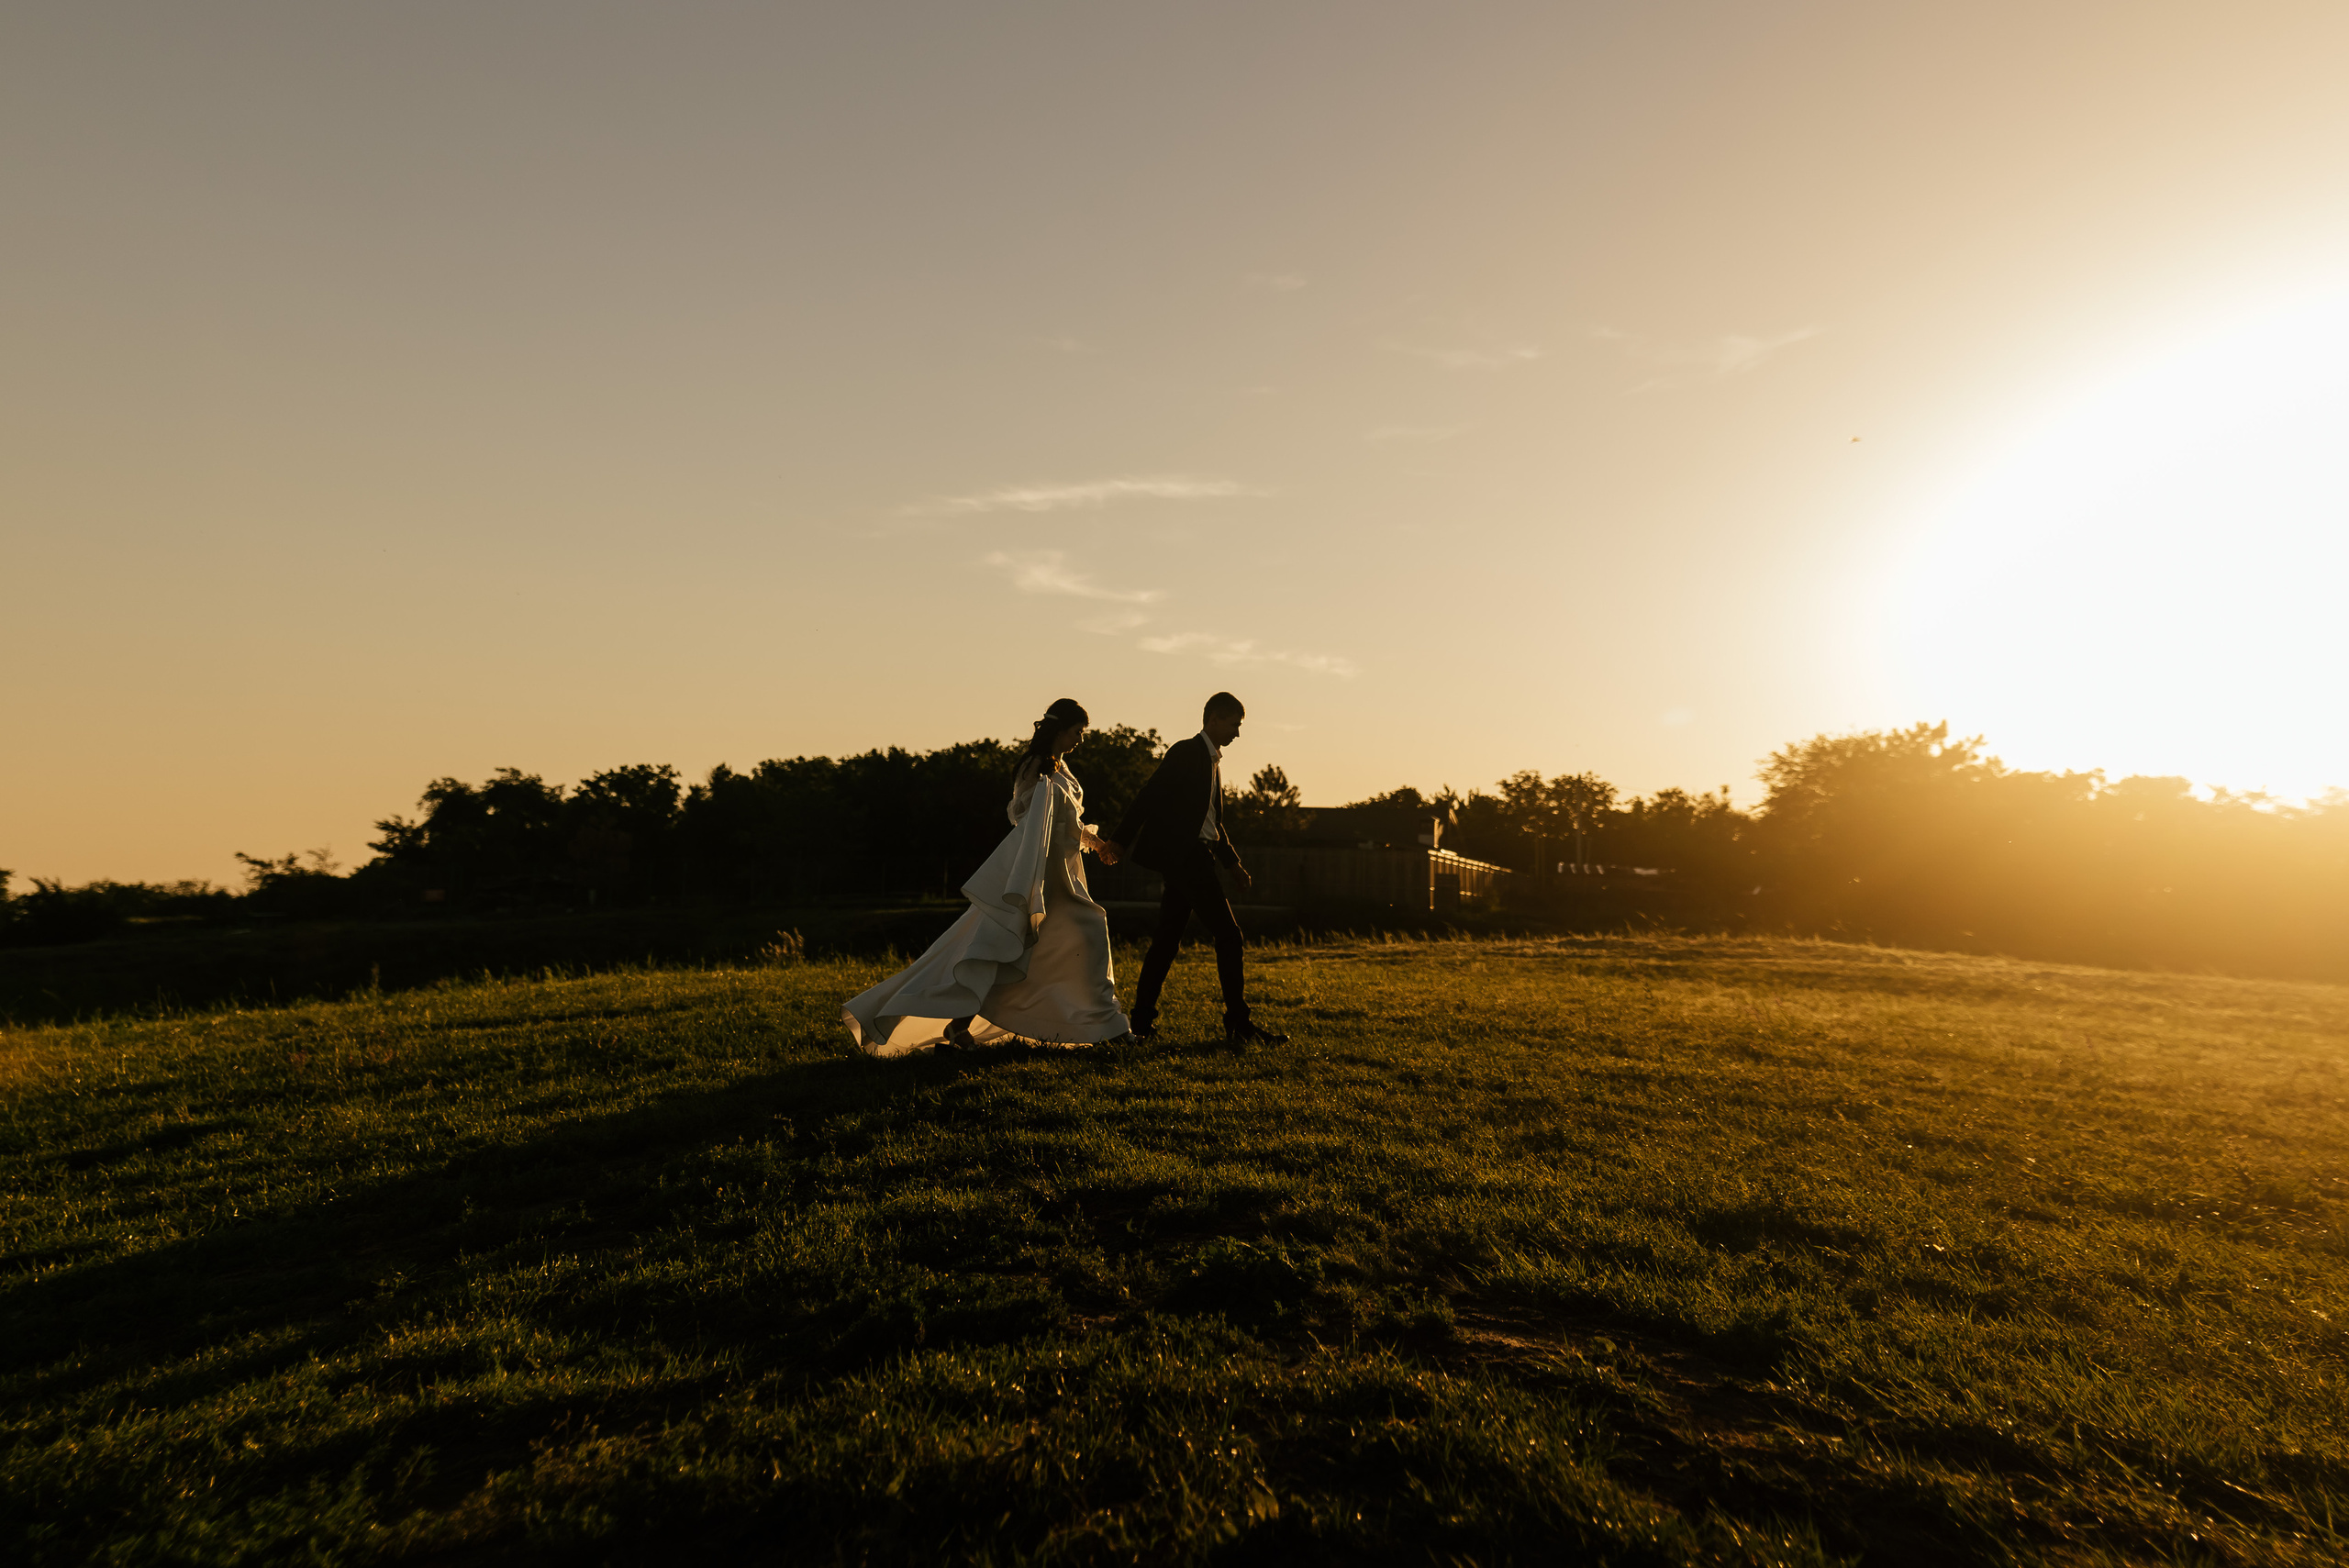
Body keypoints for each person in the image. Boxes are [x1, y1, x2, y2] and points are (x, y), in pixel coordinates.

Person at [842, 698, 1131, 1054]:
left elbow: (1070, 822)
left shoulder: (1063, 769)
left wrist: (1099, 844)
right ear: (1060, 729)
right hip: (1037, 875)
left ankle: (1096, 1025)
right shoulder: (1037, 766)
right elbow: (1019, 813)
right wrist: (1042, 805)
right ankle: (1113, 1030)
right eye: (1077, 732)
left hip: (1064, 874)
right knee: (1028, 942)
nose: (1080, 739)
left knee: (1030, 949)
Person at [1098, 692, 1288, 1049]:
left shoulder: (1213, 761)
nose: (1237, 733)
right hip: (1186, 859)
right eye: (1234, 724)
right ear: (1214, 719)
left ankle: (1139, 1024)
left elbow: (1212, 823)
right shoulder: (1187, 752)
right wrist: (1120, 841)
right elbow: (1148, 795)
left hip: (1194, 858)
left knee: (1167, 941)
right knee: (1229, 935)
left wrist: (1233, 865)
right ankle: (1238, 1023)